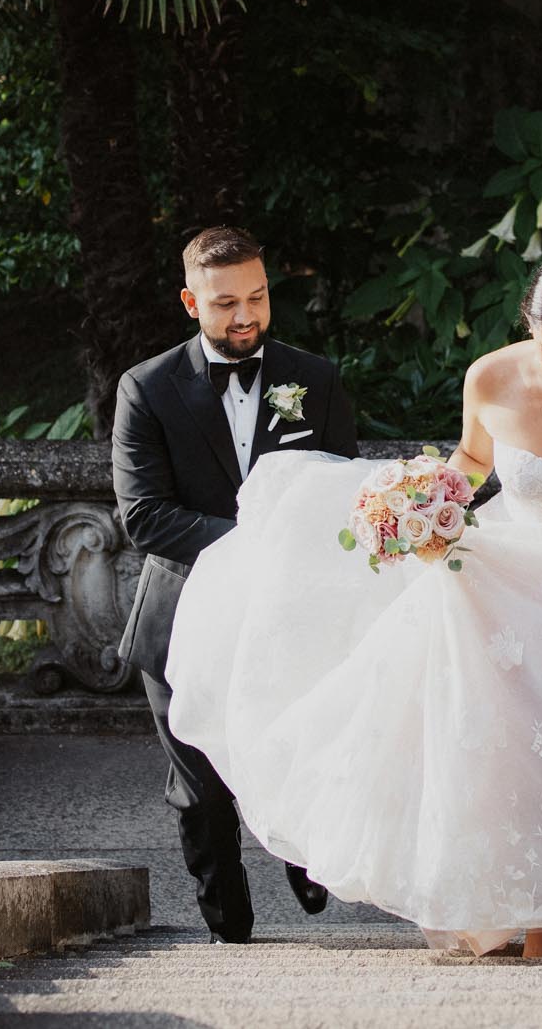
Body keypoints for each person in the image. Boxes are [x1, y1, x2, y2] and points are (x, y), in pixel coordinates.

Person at [165, 252, 542, 957]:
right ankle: (534, 917)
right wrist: (420, 504)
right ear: (529, 327)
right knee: (523, 754)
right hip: (512, 588)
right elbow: (472, 462)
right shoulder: (488, 377)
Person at [111, 226, 360, 943]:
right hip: (181, 616)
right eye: (225, 303)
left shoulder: (316, 379)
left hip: (292, 615)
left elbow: (337, 493)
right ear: (192, 301)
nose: (244, 315)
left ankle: (303, 857)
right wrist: (262, 542)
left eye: (256, 297)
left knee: (303, 746)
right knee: (202, 788)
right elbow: (146, 516)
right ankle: (231, 936)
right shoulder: (148, 389)